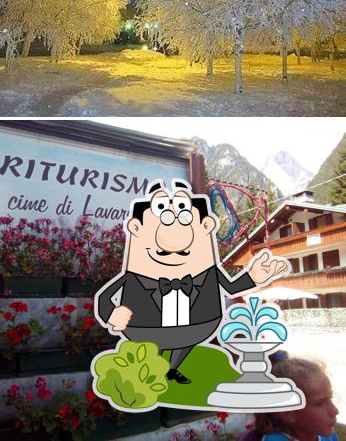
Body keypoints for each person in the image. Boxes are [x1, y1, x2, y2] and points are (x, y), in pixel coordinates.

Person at [94, 179, 288, 385]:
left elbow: (231, 288)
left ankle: (172, 369)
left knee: (183, 342)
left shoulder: (209, 272)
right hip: (145, 326)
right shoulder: (133, 276)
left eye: (185, 218)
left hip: (196, 326)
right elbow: (105, 297)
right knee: (153, 350)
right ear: (136, 228)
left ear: (207, 226)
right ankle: (152, 369)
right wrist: (111, 313)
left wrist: (253, 277)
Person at [243, 352, 340, 441]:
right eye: (320, 403)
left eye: (330, 398)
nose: (335, 411)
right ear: (288, 413)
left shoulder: (328, 436)